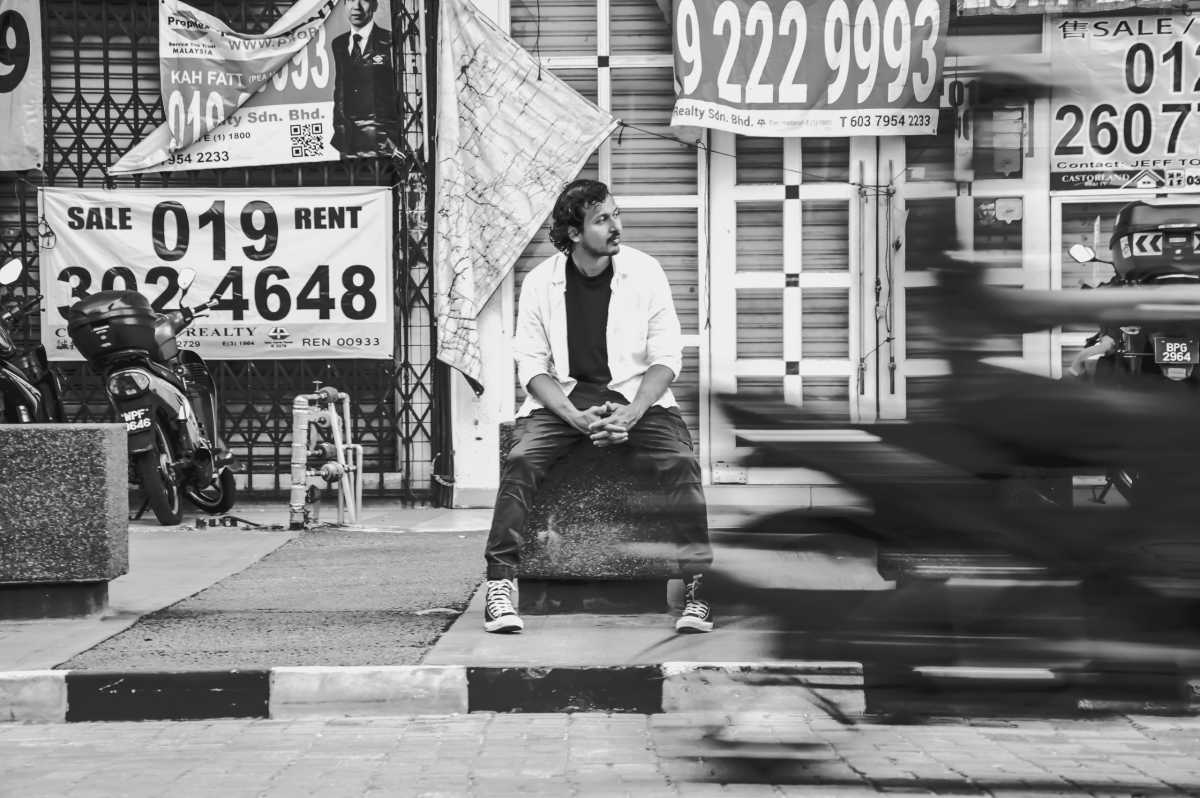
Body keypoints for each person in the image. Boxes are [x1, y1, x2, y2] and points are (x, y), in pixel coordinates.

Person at [482, 179, 715, 635]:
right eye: (602, 219)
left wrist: (632, 413)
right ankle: (500, 582)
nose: (616, 227)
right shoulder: (540, 282)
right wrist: (573, 416)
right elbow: (531, 365)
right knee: (522, 460)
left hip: (638, 396)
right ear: (573, 232)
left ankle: (699, 585)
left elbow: (667, 356)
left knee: (680, 462)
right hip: (567, 399)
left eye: (616, 215)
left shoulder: (645, 271)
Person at [330, 0, 399, 157]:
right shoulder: (339, 44)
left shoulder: (390, 41)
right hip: (348, 143)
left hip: (381, 142)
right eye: (351, 0)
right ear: (344, 5)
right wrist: (340, 131)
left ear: (374, 5)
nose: (357, 7)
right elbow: (339, 91)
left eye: (364, 0)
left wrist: (390, 140)